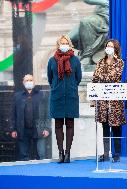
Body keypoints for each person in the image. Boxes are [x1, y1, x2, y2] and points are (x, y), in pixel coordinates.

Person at [47, 35, 82, 163]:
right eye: (61, 43)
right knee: (58, 125)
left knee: (70, 124)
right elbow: (50, 78)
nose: (64, 45)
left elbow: (78, 78)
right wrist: (57, 87)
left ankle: (68, 153)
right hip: (57, 97)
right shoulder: (52, 60)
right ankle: (60, 153)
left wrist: (71, 87)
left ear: (70, 44)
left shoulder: (75, 60)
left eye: (66, 43)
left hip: (71, 96)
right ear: (58, 45)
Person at [92, 39, 125, 162]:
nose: (108, 48)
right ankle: (106, 153)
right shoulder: (100, 62)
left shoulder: (119, 62)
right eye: (107, 46)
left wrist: (104, 76)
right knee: (104, 126)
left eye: (111, 46)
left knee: (116, 127)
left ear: (116, 49)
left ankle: (117, 153)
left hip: (115, 100)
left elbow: (114, 76)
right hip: (102, 100)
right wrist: (93, 97)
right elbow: (95, 78)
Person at [11, 74, 50, 160]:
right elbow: (13, 114)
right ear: (23, 83)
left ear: (34, 82)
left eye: (31, 80)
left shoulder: (42, 95)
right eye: (27, 80)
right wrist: (13, 129)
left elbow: (47, 113)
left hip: (39, 129)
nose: (29, 82)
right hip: (23, 130)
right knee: (23, 155)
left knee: (41, 154)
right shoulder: (17, 96)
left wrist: (47, 128)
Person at [69, 0, 109, 71]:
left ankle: (87, 55)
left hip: (107, 18)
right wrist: (103, 2)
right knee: (69, 38)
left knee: (86, 22)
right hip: (98, 16)